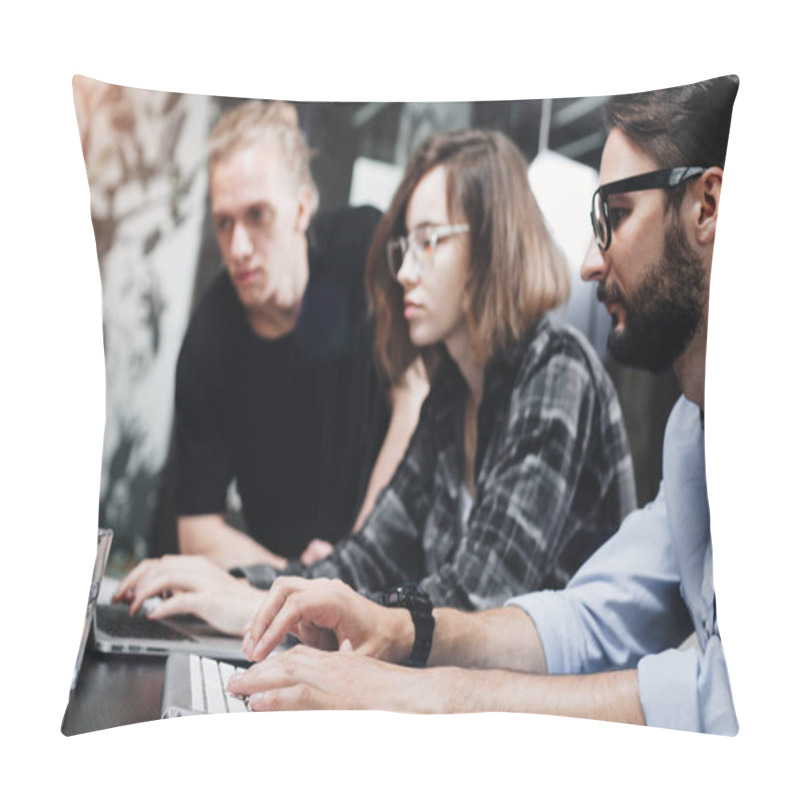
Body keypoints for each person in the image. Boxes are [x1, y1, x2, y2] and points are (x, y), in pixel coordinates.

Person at [224, 76, 740, 736]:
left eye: (614, 216)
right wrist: (245, 591)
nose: (589, 261)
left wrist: (426, 684)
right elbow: (583, 616)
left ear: (707, 206)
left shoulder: (558, 371)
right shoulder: (690, 432)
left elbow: (726, 700)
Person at [115, 128, 635, 627]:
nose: (406, 270)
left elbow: (475, 603)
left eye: (428, 242)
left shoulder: (556, 371)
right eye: (406, 245)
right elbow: (363, 563)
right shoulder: (449, 402)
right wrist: (232, 584)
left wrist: (260, 605)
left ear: (491, 245)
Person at [171, 100, 427, 571]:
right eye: (224, 222)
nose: (238, 248)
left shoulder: (363, 251)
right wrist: (301, 580)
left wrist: (354, 559)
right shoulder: (208, 343)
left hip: (394, 556)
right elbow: (197, 531)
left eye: (257, 215)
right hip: (286, 584)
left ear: (302, 207)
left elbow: (412, 395)